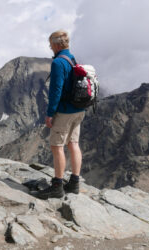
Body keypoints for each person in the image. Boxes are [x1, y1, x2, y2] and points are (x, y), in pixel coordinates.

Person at [34, 30, 85, 199]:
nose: (50, 48)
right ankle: (74, 183)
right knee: (73, 143)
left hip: (65, 111)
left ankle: (57, 186)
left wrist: (50, 114)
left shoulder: (58, 63)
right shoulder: (72, 58)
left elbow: (56, 90)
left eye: (50, 45)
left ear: (56, 45)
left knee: (57, 146)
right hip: (79, 109)